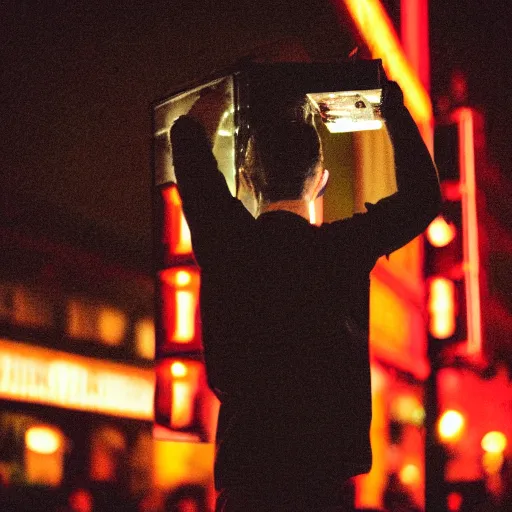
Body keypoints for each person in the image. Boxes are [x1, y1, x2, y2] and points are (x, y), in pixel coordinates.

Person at [170, 79, 441, 512]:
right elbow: (424, 198)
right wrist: (389, 105)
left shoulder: (226, 241)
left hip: (246, 481)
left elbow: (185, 136)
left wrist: (226, 91)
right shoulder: (341, 250)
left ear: (247, 179)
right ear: (320, 180)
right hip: (322, 486)